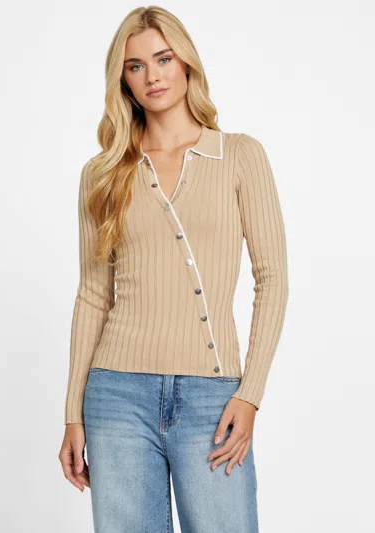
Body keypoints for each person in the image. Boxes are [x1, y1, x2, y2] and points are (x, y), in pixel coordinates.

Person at [58, 6, 289, 533]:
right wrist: (73, 412)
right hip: (115, 396)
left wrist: (249, 394)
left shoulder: (239, 156)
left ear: (186, 63)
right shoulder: (103, 172)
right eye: (135, 65)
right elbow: (93, 295)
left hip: (213, 395)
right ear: (123, 79)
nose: (153, 75)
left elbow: (272, 279)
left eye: (163, 59)